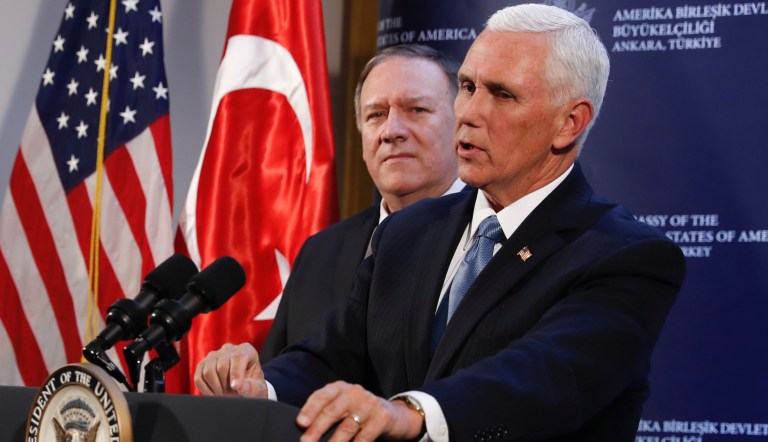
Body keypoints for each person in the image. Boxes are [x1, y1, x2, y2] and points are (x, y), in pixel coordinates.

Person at [195, 4, 686, 442]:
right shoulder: (407, 232)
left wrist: (414, 413)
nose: (468, 113)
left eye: (502, 94)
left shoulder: (625, 256)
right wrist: (262, 387)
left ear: (569, 123)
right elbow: (331, 357)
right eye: (468, 87)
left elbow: (540, 376)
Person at [259, 44, 464, 362]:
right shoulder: (320, 253)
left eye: (416, 110)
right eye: (376, 115)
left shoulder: (491, 237)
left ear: (461, 123)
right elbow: (278, 378)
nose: (391, 131)